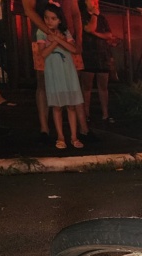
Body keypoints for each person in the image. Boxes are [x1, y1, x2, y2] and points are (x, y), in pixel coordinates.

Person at [23, 0, 94, 143]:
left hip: (67, 39)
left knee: (74, 82)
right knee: (43, 82)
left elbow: (75, 13)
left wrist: (78, 38)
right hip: (45, 38)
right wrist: (50, 32)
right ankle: (45, 129)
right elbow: (29, 10)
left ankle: (83, 129)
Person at [36, 2, 84, 149]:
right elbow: (43, 53)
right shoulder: (41, 32)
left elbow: (74, 50)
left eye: (53, 18)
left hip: (67, 71)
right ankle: (60, 137)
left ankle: (74, 137)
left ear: (59, 20)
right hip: (53, 72)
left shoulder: (65, 32)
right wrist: (54, 43)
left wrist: (58, 39)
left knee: (71, 105)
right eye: (46, 18)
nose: (49, 21)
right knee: (57, 106)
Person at [79, 0, 116, 123]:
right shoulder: (82, 16)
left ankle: (105, 114)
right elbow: (89, 28)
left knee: (103, 86)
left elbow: (109, 35)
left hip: (102, 56)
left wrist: (95, 33)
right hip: (88, 55)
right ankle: (86, 114)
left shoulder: (102, 18)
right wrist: (94, 15)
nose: (95, 2)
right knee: (87, 87)